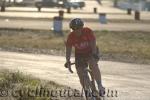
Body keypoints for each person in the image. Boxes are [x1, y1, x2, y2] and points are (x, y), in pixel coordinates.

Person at [65, 18, 105, 97]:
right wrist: (68, 60)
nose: (76, 30)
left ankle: (100, 85)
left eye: (78, 28)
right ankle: (87, 90)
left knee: (93, 64)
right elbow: (68, 49)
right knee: (80, 71)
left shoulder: (87, 31)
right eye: (74, 29)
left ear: (82, 27)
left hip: (91, 51)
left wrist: (94, 54)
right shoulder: (71, 36)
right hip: (80, 54)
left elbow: (93, 42)